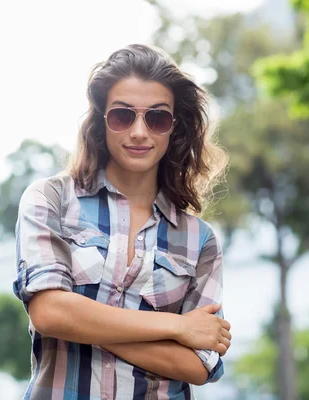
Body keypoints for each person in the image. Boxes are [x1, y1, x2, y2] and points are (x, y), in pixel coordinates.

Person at [13, 44, 231, 400]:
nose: (139, 132)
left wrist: (81, 322)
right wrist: (176, 327)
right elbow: (50, 312)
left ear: (174, 128)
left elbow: (199, 364)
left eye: (156, 118)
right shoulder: (50, 199)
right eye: (123, 116)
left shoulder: (199, 240)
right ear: (102, 120)